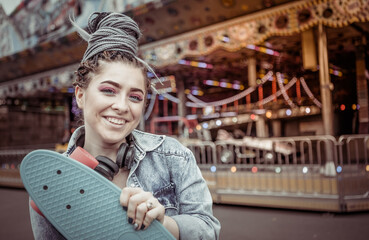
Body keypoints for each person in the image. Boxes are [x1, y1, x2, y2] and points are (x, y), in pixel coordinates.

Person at [29, 12, 220, 240]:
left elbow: (209, 231)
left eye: (135, 97)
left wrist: (164, 224)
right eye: (109, 90)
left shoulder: (174, 157)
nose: (122, 106)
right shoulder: (51, 180)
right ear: (80, 95)